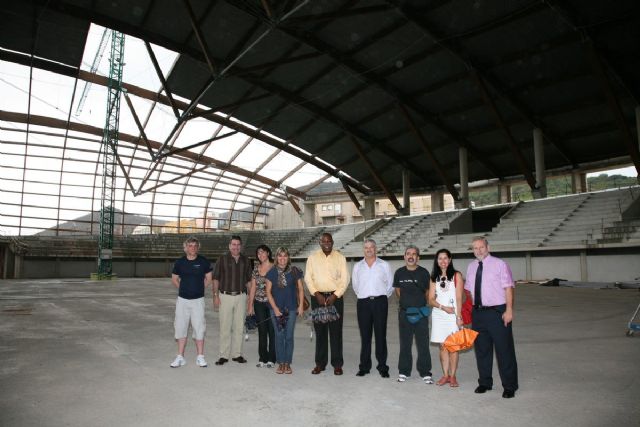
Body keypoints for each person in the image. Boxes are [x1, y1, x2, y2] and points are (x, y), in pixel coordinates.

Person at [465, 236, 518, 398]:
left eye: (481, 247)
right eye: (475, 248)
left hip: (497, 312)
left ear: (488, 247)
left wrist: (509, 310)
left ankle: (510, 386)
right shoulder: (471, 267)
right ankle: (485, 382)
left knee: (504, 350)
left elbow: (508, 288)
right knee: (482, 350)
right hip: (478, 313)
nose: (478, 250)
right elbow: (468, 292)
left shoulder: (500, 264)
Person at [305, 232, 350, 375]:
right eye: (324, 241)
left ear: (332, 242)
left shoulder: (340, 258)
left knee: (336, 333)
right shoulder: (312, 258)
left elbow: (345, 280)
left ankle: (337, 364)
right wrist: (316, 293)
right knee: (320, 332)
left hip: (335, 299)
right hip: (317, 298)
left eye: (329, 241)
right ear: (320, 242)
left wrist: (335, 295)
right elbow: (308, 278)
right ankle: (320, 363)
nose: (326, 243)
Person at [351, 238, 393, 378]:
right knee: (365, 337)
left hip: (380, 302)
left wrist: (380, 297)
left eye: (371, 247)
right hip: (363, 303)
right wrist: (365, 296)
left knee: (381, 335)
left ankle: (382, 367)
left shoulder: (384, 265)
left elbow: (390, 286)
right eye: (366, 247)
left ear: (376, 249)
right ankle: (364, 367)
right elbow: (356, 286)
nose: (369, 250)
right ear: (363, 249)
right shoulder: (358, 266)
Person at [169, 237, 212, 368]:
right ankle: (180, 357)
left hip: (198, 301)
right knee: (181, 327)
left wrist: (198, 289)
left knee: (199, 327)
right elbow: (174, 279)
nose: (192, 248)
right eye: (190, 245)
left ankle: (200, 356)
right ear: (185, 247)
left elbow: (208, 279)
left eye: (195, 246)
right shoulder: (180, 262)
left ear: (198, 247)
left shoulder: (203, 261)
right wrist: (184, 289)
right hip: (182, 301)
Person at [393, 245, 433, 384]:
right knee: (405, 344)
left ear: (418, 257)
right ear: (404, 256)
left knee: (423, 344)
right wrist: (407, 304)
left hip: (421, 314)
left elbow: (428, 292)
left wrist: (419, 305)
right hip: (404, 314)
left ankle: (425, 372)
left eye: (414, 254)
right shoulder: (399, 272)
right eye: (408, 254)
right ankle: (404, 371)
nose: (411, 256)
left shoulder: (424, 273)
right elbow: (398, 291)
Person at [212, 235, 252, 366]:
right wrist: (215, 296)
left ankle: (237, 354)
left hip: (241, 297)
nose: (236, 247)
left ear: (241, 246)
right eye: (233, 244)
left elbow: (248, 281)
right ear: (229, 246)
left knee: (239, 327)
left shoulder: (246, 260)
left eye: (238, 244)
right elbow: (216, 278)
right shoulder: (222, 259)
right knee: (225, 327)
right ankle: (223, 355)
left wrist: (250, 299)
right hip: (225, 297)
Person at [265, 247, 305, 374]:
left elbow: (300, 289)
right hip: (276, 310)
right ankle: (281, 362)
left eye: (285, 256)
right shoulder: (272, 272)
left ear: (288, 258)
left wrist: (301, 306)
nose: (282, 258)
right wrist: (275, 309)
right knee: (279, 336)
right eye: (280, 256)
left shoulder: (294, 271)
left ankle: (287, 363)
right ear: (276, 258)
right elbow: (268, 292)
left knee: (288, 336)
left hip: (291, 309)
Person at [428, 248, 464, 387]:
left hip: (453, 316)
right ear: (436, 261)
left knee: (453, 347)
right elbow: (431, 299)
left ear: (450, 260)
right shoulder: (433, 278)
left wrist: (458, 316)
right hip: (439, 315)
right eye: (440, 258)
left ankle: (453, 376)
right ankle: (445, 375)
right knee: (443, 346)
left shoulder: (456, 275)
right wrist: (443, 307)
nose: (443, 261)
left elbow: (459, 297)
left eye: (445, 258)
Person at [247, 244, 276, 368]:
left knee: (272, 331)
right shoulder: (256, 269)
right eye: (258, 253)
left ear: (268, 253)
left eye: (263, 252)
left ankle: (272, 359)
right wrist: (250, 305)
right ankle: (262, 358)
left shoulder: (275, 267)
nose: (261, 255)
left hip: (271, 303)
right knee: (262, 331)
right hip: (259, 303)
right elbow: (253, 287)